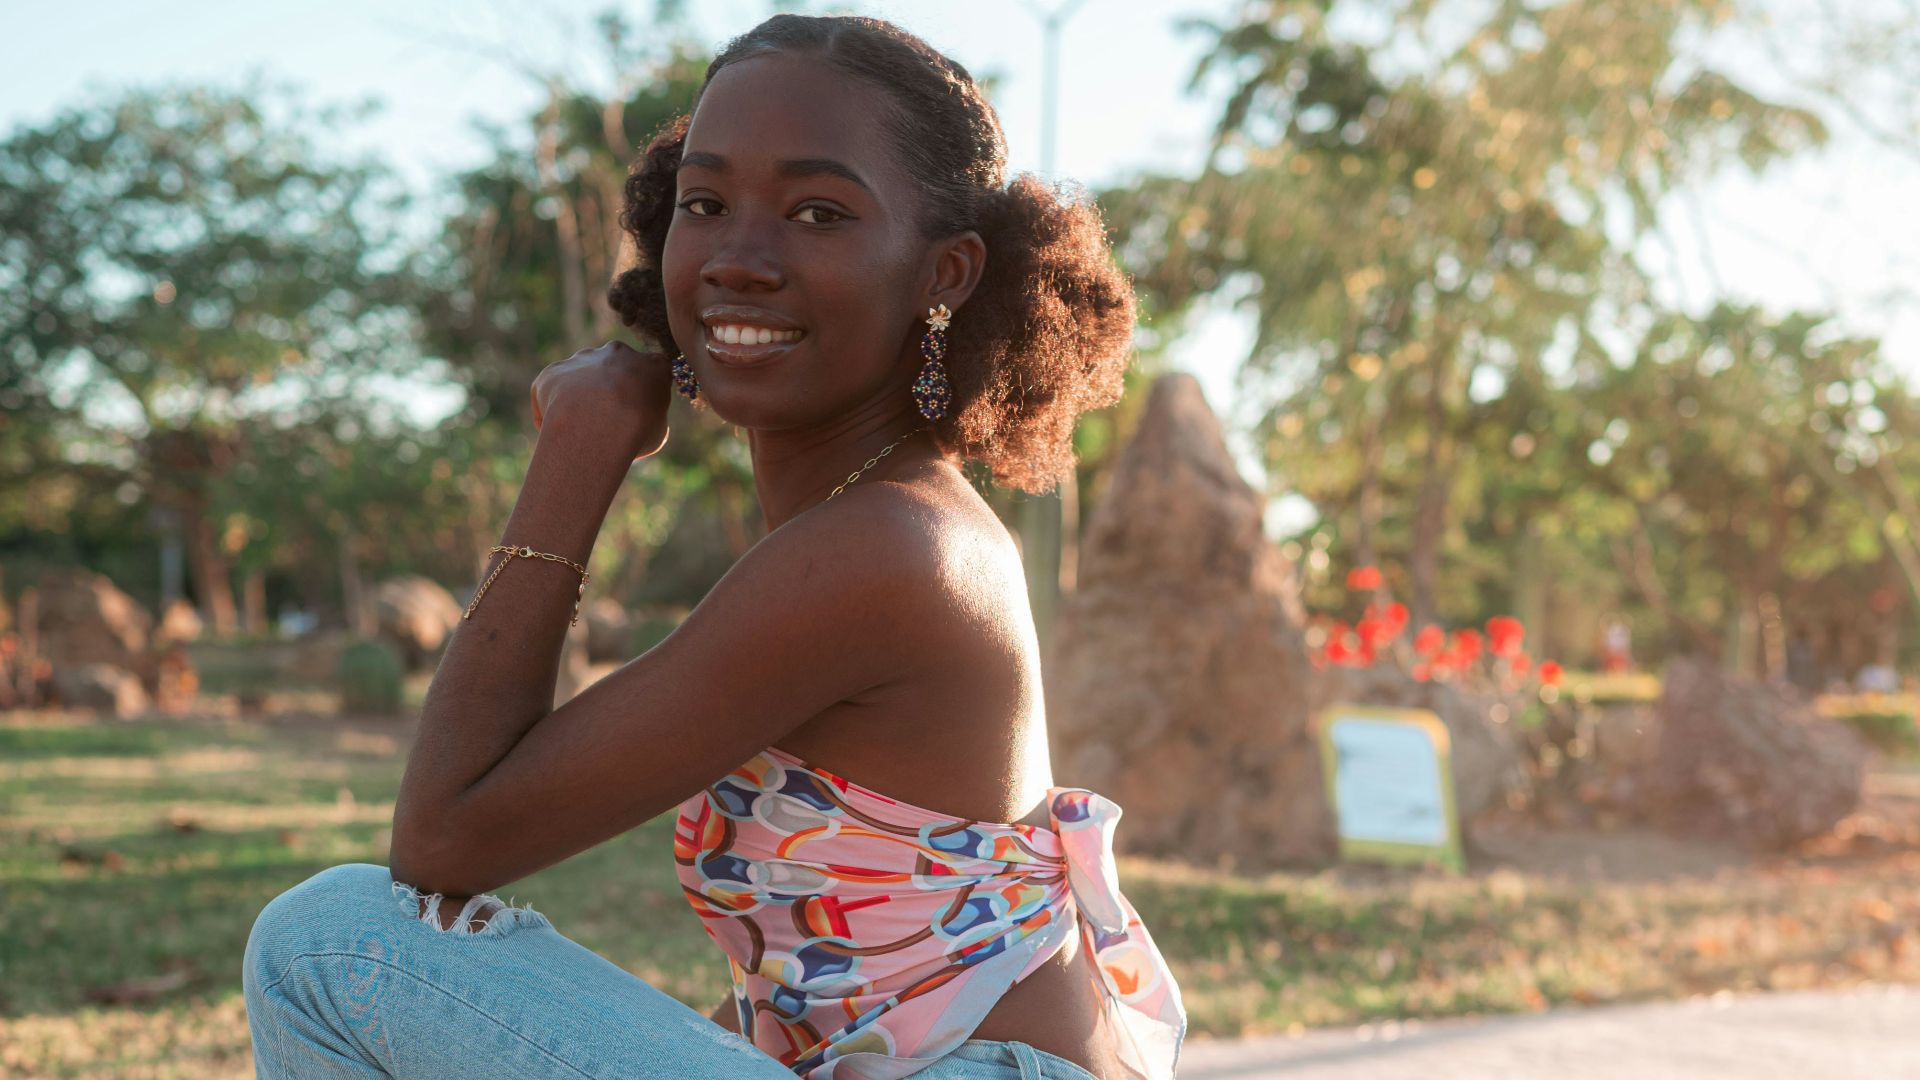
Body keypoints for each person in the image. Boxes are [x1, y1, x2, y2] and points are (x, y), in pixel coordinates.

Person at [241, 13, 1185, 1080]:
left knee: (328, 940)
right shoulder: (871, 520)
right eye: (705, 204)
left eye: (818, 212)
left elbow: (446, 840)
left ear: (947, 274)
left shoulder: (888, 547)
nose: (740, 258)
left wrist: (578, 456)